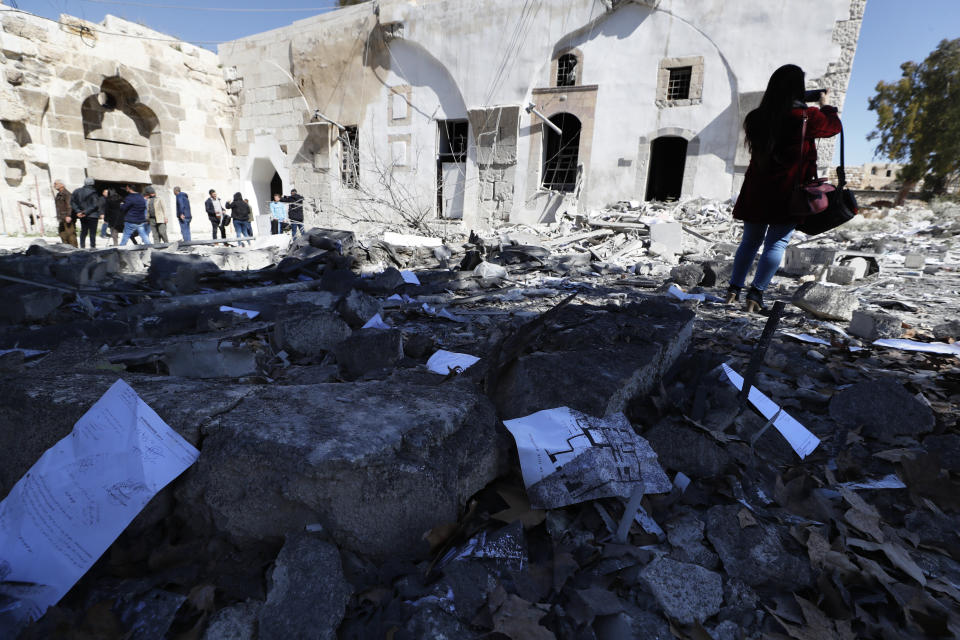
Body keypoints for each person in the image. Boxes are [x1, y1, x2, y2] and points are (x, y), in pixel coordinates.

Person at [727, 64, 841, 312]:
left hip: (756, 190)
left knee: (749, 242)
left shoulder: (756, 118)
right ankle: (755, 296)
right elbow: (834, 127)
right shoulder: (808, 117)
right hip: (788, 193)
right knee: (776, 244)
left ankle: (733, 291)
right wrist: (825, 104)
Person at [71, 178, 101, 249]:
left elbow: (72, 202)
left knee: (83, 231)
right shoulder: (93, 192)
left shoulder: (77, 191)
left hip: (82, 215)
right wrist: (85, 212)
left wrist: (78, 211)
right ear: (92, 183)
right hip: (92, 215)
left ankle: (82, 246)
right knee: (92, 233)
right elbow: (95, 205)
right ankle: (92, 247)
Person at [53, 179, 77, 247]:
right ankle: (67, 248)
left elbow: (70, 205)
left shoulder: (67, 194)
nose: (54, 185)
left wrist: (69, 215)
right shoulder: (59, 194)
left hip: (67, 217)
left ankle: (74, 249)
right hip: (61, 217)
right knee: (62, 234)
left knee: (70, 234)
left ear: (62, 185)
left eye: (56, 184)